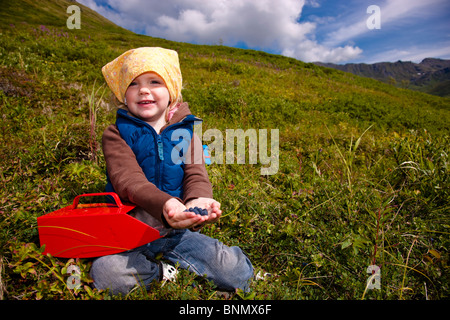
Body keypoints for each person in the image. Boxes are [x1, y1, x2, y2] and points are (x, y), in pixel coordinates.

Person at [89, 47, 254, 296]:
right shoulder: (116, 133)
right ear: (123, 93)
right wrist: (167, 205)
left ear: (172, 90)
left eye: (155, 81)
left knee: (234, 272)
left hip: (177, 232)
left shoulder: (187, 133)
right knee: (107, 274)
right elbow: (128, 181)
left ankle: (186, 264)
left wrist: (198, 199)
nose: (144, 90)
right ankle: (164, 272)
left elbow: (196, 175)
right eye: (133, 84)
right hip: (129, 232)